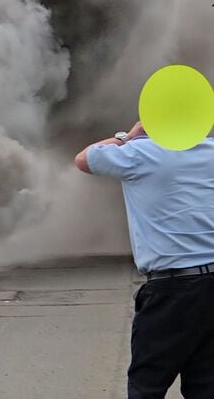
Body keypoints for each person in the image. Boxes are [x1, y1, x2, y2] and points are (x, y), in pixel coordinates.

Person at [75, 121, 214, 398]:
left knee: (147, 384)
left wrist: (130, 135)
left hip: (170, 291)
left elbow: (84, 159)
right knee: (206, 384)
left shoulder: (141, 152)